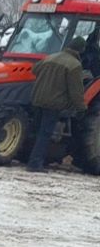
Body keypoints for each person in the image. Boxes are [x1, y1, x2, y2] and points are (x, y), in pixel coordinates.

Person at [28, 37, 89, 172]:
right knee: (45, 134)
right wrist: (81, 108)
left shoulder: (50, 57)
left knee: (36, 131)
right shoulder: (74, 65)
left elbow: (34, 70)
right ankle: (35, 164)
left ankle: (28, 158)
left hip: (38, 99)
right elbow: (76, 91)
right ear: (81, 50)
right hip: (54, 104)